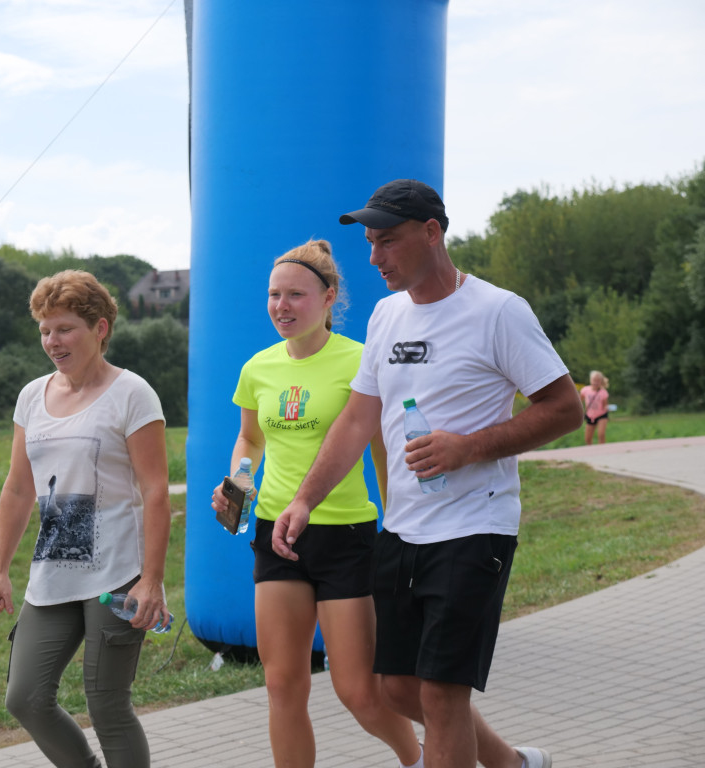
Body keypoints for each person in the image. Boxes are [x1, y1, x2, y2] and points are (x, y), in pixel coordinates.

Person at [272, 180, 584, 768]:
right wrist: (304, 500)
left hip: (475, 526)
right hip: (404, 527)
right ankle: (514, 764)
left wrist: (468, 448)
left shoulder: (498, 311)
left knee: (442, 694)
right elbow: (357, 419)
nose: (374, 258)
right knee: (398, 689)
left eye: (387, 242)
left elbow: (563, 408)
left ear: (432, 233)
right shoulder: (387, 316)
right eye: (369, 242)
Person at [209, 239, 424, 768]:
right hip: (274, 532)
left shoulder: (361, 360)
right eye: (274, 295)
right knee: (282, 684)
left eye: (296, 295)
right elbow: (251, 441)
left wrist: (400, 526)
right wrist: (239, 483)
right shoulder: (257, 368)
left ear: (329, 298)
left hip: (347, 535)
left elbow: (382, 452)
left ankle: (417, 758)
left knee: (358, 690)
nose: (282, 306)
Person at [0, 269, 171, 768]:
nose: (52, 341)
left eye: (64, 329)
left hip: (116, 574)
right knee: (24, 697)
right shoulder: (32, 397)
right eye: (45, 330)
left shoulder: (133, 394)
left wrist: (151, 581)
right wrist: (0, 570)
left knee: (108, 705)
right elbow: (19, 488)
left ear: (100, 328)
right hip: (52, 573)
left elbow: (155, 492)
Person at [580, 371, 610, 445]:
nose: (595, 382)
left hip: (601, 415)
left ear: (601, 382)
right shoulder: (585, 390)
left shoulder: (603, 392)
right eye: (594, 380)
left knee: (601, 434)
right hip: (590, 416)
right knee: (587, 438)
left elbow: (605, 405)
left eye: (598, 381)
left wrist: (606, 407)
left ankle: (602, 451)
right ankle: (591, 452)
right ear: (590, 380)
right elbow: (580, 401)